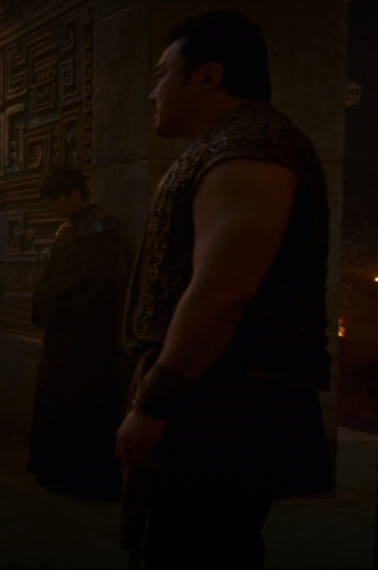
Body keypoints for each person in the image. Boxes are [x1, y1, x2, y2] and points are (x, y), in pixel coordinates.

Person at [117, 11, 332, 568]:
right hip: (214, 395)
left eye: (163, 75)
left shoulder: (252, 148)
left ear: (209, 76)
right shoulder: (231, 144)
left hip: (224, 405)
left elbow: (224, 288)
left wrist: (155, 402)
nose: (152, 92)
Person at [25, 166, 124, 499]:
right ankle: (55, 468)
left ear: (75, 193)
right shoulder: (67, 229)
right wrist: (43, 294)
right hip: (62, 328)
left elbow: (93, 283)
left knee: (80, 399)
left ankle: (80, 475)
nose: (52, 206)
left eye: (57, 198)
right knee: (56, 396)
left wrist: (53, 297)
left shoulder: (100, 229)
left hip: (87, 333)